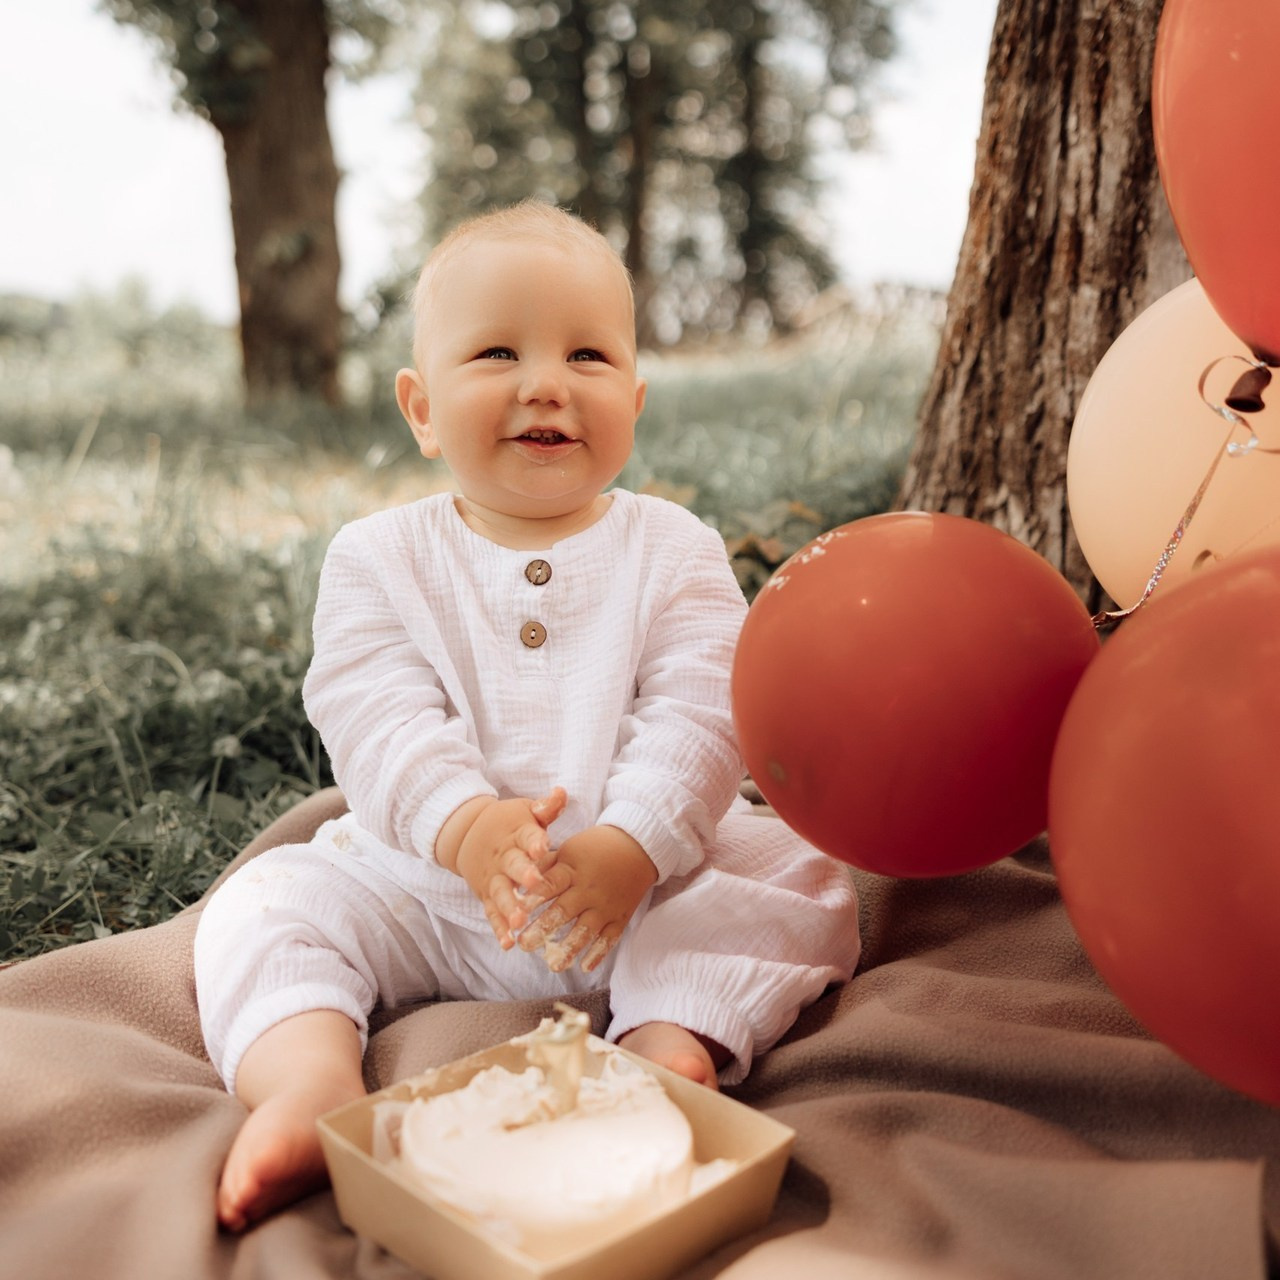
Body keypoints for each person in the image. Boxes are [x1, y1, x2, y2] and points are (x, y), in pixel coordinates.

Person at [194, 199, 861, 1232]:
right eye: (498, 350)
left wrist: (632, 841)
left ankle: (664, 1043)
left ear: (632, 401)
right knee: (266, 901)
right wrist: (462, 824)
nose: (546, 381)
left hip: (637, 891)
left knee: (792, 879)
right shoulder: (377, 559)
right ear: (420, 408)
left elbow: (701, 707)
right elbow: (373, 710)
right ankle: (308, 1076)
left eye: (587, 355)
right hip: (422, 892)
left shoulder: (672, 547)